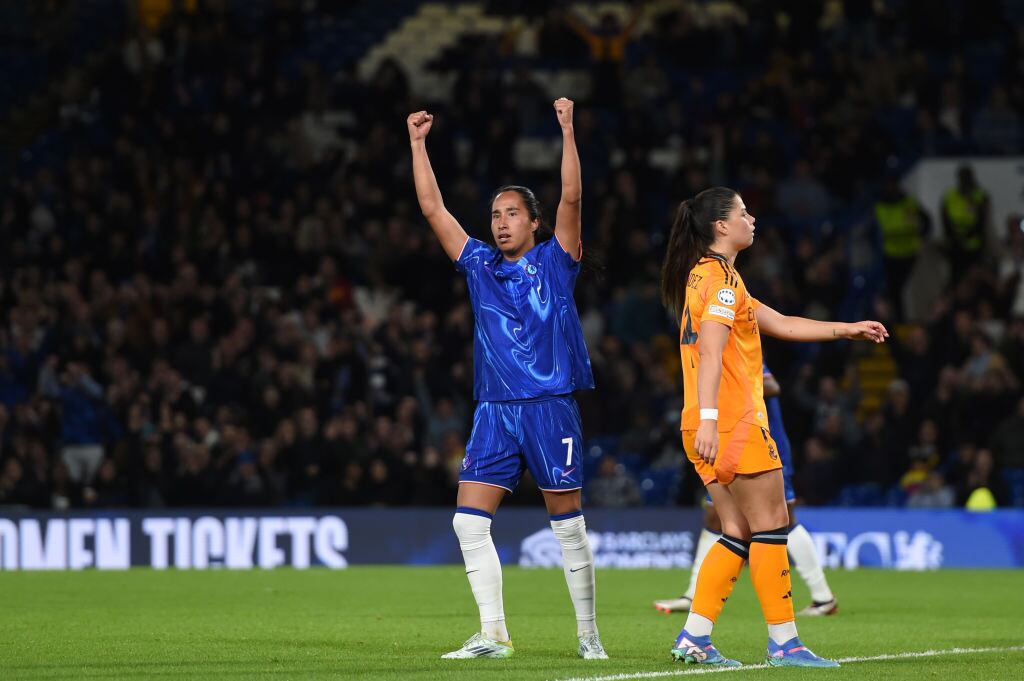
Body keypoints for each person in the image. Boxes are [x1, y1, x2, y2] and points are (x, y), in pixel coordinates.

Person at [407, 98, 607, 661]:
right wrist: (419, 144)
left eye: (512, 213)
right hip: (494, 409)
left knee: (567, 526)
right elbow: (431, 208)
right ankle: (493, 634)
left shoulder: (556, 261)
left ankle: (588, 635)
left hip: (548, 406)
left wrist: (567, 129)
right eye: (495, 215)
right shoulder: (478, 265)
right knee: (468, 522)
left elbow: (573, 196)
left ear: (535, 222)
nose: (500, 222)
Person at [660, 187, 888, 668]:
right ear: (721, 226)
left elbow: (780, 323)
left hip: (702, 424)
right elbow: (710, 352)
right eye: (743, 212)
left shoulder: (707, 277)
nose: (752, 218)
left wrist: (847, 328)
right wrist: (711, 419)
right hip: (732, 423)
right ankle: (785, 643)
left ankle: (694, 637)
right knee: (771, 526)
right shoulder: (721, 283)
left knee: (736, 530)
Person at [653, 363, 839, 617]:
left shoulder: (739, 347)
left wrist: (729, 389)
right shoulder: (712, 350)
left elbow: (772, 385)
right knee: (713, 515)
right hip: (730, 444)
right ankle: (693, 594)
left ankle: (822, 597)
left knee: (784, 519)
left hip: (762, 444)